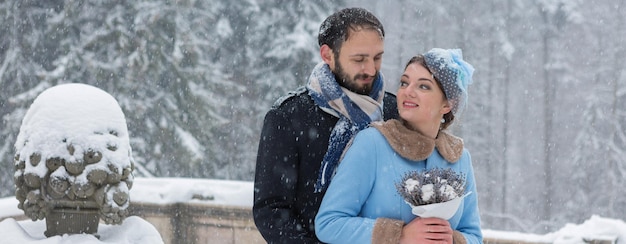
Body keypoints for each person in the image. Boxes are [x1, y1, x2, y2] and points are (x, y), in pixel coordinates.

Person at [253, 7, 399, 243]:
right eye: (359, 59)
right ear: (327, 55)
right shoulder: (288, 117)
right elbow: (271, 210)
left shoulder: (395, 112)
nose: (371, 69)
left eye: (377, 57)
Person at [315, 48, 483, 243]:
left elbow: (474, 236)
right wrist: (399, 235)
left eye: (423, 86)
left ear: (447, 104)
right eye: (404, 83)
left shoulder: (459, 157)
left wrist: (452, 239)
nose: (407, 91)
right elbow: (329, 223)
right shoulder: (373, 143)